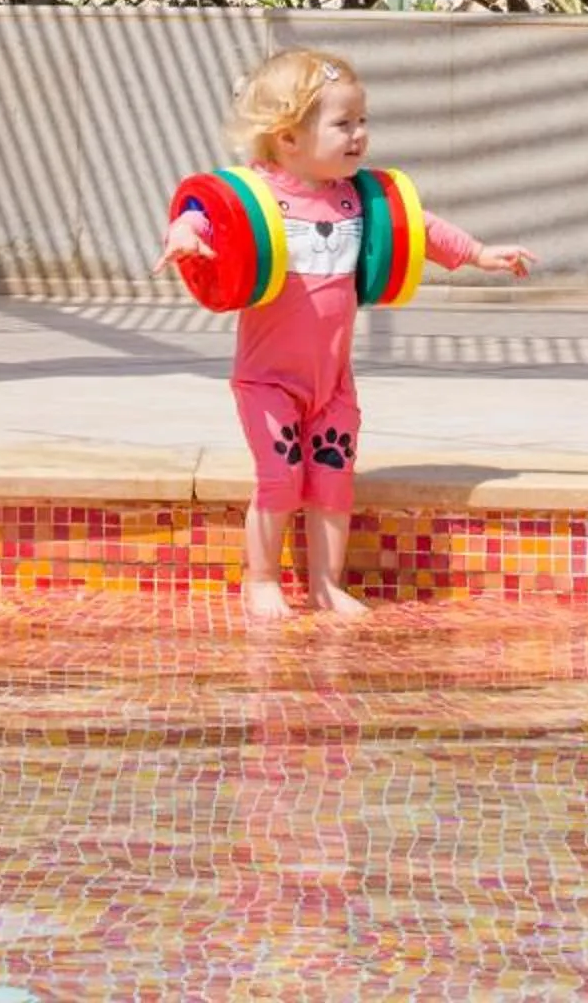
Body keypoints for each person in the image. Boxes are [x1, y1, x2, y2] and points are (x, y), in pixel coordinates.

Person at [161, 48, 534, 620]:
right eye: (343, 124)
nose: (359, 135)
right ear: (288, 137)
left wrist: (479, 253)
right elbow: (204, 212)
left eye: (362, 120)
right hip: (268, 382)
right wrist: (186, 235)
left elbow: (422, 227)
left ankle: (325, 585)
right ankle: (261, 581)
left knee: (333, 482)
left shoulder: (356, 195)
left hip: (332, 382)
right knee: (280, 479)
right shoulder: (259, 195)